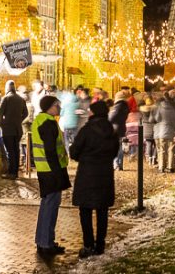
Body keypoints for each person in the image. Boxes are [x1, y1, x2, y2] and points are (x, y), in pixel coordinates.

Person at [69, 100, 119, 258]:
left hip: (87, 174)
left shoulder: (87, 130)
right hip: (105, 174)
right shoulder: (111, 131)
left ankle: (88, 244)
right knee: (102, 211)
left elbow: (74, 151)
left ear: (94, 112)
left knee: (85, 210)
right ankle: (100, 245)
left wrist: (83, 156)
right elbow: (114, 152)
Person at [32, 95, 71, 256]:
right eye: (57, 105)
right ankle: (46, 243)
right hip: (52, 171)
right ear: (50, 106)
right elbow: (51, 151)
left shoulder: (40, 120)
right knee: (50, 207)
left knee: (46, 206)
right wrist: (57, 174)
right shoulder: (48, 123)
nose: (59, 108)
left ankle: (42, 241)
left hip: (45, 170)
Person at [0, 80, 28, 179]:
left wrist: (1, 124)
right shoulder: (21, 99)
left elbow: (0, 114)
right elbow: (26, 114)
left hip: (8, 130)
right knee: (16, 151)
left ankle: (11, 173)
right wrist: (19, 120)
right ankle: (15, 172)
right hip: (18, 129)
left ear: (7, 88)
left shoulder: (6, 98)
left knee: (10, 152)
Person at [153, 90, 175, 173]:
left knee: (162, 149)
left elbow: (156, 118)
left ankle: (161, 167)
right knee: (171, 149)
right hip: (172, 130)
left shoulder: (159, 107)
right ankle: (171, 167)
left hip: (161, 131)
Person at [108, 90, 130, 170]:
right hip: (121, 128)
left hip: (115, 129)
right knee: (119, 147)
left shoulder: (118, 105)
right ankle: (119, 164)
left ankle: (116, 164)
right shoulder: (125, 105)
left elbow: (111, 117)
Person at [58, 89, 80, 153]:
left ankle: (68, 152)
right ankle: (75, 152)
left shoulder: (66, 105)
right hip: (75, 125)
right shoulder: (78, 105)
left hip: (67, 125)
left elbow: (61, 114)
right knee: (74, 140)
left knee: (66, 140)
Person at [139, 95, 157, 164]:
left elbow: (140, 120)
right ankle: (154, 158)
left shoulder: (142, 110)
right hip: (154, 128)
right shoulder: (155, 109)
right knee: (156, 144)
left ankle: (149, 159)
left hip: (146, 129)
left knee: (149, 144)